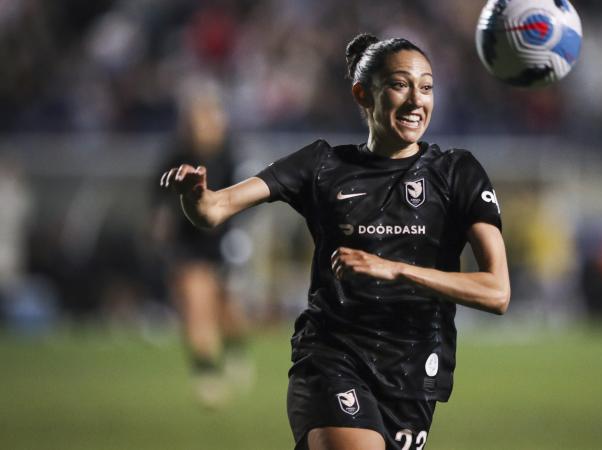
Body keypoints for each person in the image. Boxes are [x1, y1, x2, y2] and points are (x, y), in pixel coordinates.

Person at [160, 33, 510, 449]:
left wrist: (396, 270)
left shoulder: (458, 174)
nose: (417, 100)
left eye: (427, 86)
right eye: (400, 85)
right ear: (363, 94)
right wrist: (195, 196)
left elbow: (497, 291)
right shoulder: (322, 165)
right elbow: (214, 210)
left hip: (413, 376)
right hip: (332, 360)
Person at [153, 79, 253, 408]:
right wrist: (160, 222)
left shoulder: (231, 154)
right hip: (189, 241)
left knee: (228, 309)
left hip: (224, 239)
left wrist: (236, 235)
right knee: (198, 303)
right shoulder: (176, 155)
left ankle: (236, 350)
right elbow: (158, 196)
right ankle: (207, 375)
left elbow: (246, 199)